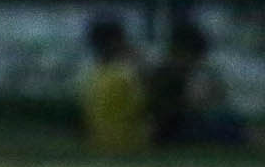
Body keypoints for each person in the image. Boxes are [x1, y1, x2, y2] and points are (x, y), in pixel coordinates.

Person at [147, 19, 249, 147]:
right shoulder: (167, 75)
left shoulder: (176, 72)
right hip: (172, 130)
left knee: (230, 121)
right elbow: (171, 112)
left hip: (180, 125)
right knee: (227, 125)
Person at [80, 15, 149, 155]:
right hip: (131, 144)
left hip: (99, 144)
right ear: (116, 41)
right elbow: (146, 107)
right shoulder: (125, 75)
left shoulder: (90, 75)